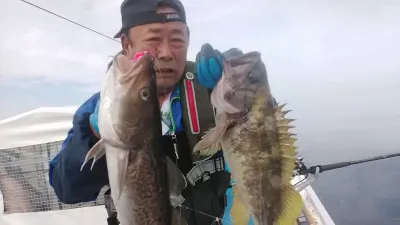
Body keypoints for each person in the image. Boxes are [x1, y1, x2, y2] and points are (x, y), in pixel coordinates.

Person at [49, 0, 271, 224]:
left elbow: (268, 148)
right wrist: (91, 134)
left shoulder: (215, 90)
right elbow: (67, 190)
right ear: (126, 44)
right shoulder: (98, 113)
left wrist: (247, 95)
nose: (166, 53)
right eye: (153, 39)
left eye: (177, 40)